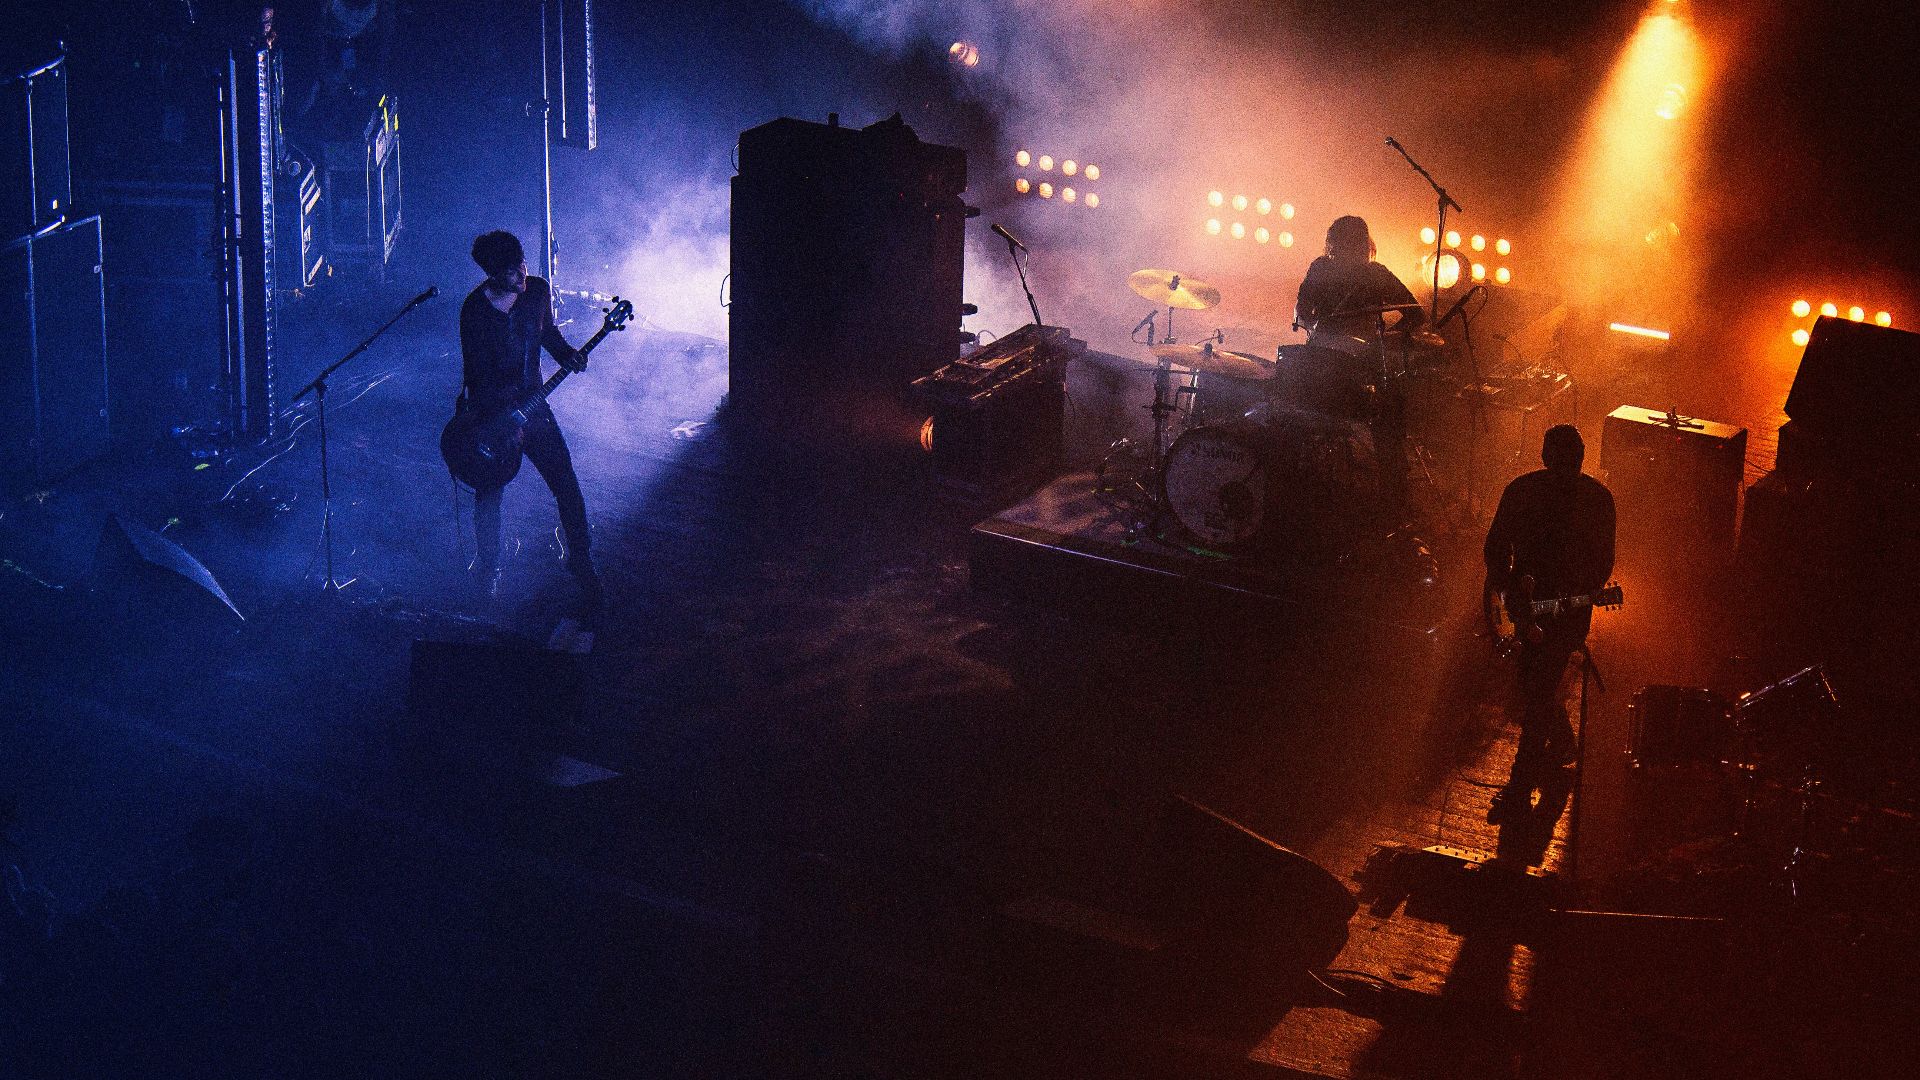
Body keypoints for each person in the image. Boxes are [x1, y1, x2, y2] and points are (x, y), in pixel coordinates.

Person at [458, 230, 602, 613]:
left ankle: (581, 558)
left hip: (536, 409)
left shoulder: (536, 292)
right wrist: (502, 420)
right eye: (512, 271)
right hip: (495, 418)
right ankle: (488, 569)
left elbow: (548, 335)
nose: (523, 274)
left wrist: (567, 354)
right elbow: (475, 375)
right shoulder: (474, 311)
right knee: (489, 495)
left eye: (523, 263)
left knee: (565, 482)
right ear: (492, 274)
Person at [1482, 425, 1616, 821]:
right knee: (1532, 686)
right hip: (1532, 611)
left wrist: (1558, 599)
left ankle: (1520, 789)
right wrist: (1509, 593)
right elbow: (1495, 549)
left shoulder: (1529, 491)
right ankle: (1561, 745)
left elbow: (1599, 568)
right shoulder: (1592, 499)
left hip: (1562, 616)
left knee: (1537, 692)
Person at [1291, 216, 1427, 514]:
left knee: (1386, 411)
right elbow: (1301, 310)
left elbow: (1416, 315)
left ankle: (1389, 494)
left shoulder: (1373, 274)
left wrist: (1381, 341)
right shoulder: (1323, 268)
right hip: (1325, 361)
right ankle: (1390, 497)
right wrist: (1316, 326)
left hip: (1357, 365)